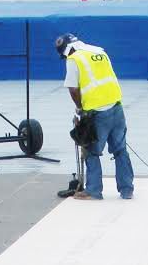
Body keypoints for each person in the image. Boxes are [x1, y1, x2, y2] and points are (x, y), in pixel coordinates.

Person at [56, 33, 135, 201]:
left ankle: (93, 190)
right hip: (116, 106)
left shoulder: (74, 59)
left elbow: (73, 89)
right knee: (120, 150)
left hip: (97, 112)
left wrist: (79, 109)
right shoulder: (99, 51)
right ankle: (127, 190)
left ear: (66, 50)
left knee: (90, 150)